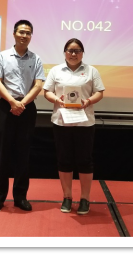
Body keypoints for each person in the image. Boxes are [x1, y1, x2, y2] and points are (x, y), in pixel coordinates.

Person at [0, 20, 45, 211]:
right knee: (2, 153)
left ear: (31, 36)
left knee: (23, 153)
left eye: (28, 33)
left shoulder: (36, 58)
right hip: (6, 107)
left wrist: (22, 103)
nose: (24, 35)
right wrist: (12, 102)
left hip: (27, 108)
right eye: (21, 32)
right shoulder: (3, 56)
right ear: (14, 34)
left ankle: (20, 197)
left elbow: (38, 85)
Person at [43, 38, 104, 215]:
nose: (73, 54)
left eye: (77, 51)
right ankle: (67, 197)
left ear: (82, 53)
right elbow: (47, 92)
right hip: (61, 121)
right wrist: (57, 100)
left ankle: (85, 198)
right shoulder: (56, 70)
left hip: (84, 122)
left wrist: (88, 101)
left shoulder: (91, 71)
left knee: (85, 161)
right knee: (64, 160)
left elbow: (99, 92)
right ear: (65, 53)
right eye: (70, 50)